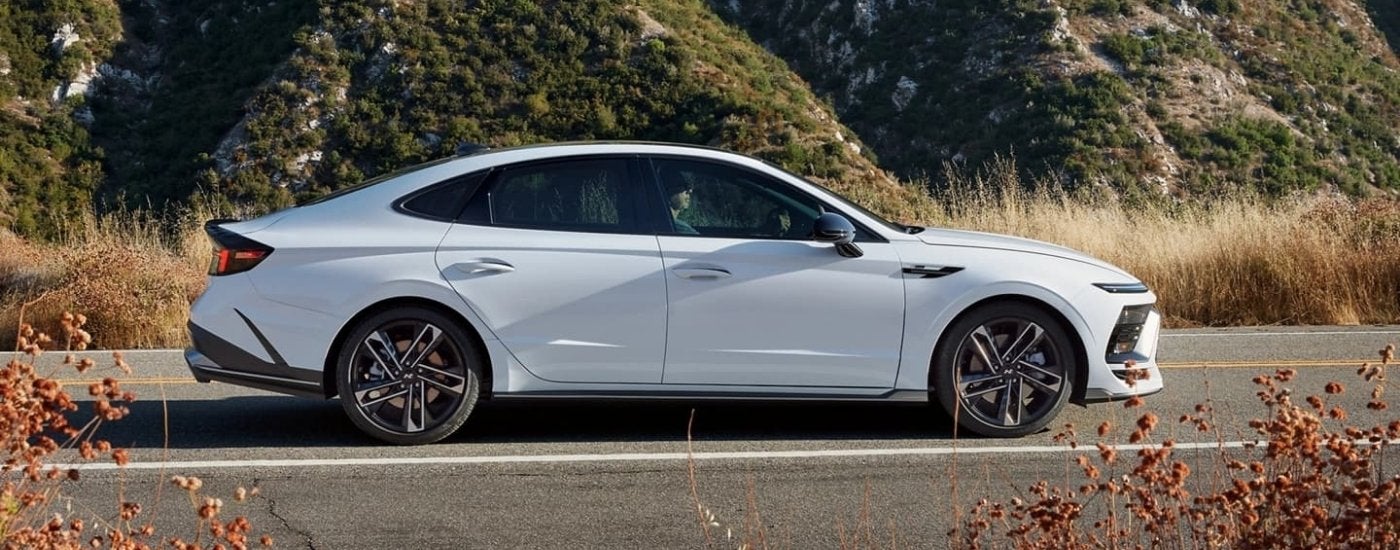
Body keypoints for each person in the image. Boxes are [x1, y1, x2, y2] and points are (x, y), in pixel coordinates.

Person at [661, 167, 699, 235]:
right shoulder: (683, 230)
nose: (690, 191)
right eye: (682, 187)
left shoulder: (674, 227)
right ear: (668, 193)